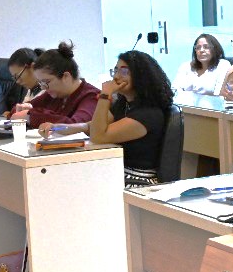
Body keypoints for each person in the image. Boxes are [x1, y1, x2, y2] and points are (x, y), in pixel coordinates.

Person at [82, 50, 174, 187]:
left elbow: (97, 136)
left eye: (124, 72)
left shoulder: (148, 114)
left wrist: (105, 95)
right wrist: (60, 128)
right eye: (115, 70)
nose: (116, 77)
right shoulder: (124, 104)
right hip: (120, 172)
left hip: (138, 180)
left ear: (140, 76)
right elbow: (96, 126)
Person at [16, 42, 99, 128]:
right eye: (41, 83)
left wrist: (31, 116)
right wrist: (22, 109)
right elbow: (17, 110)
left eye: (46, 82)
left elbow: (75, 126)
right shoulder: (54, 94)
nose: (43, 87)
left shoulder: (92, 96)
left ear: (66, 76)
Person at [0, 46, 39, 114]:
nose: (17, 81)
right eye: (14, 78)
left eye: (18, 76)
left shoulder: (47, 91)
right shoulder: (30, 90)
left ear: (33, 67)